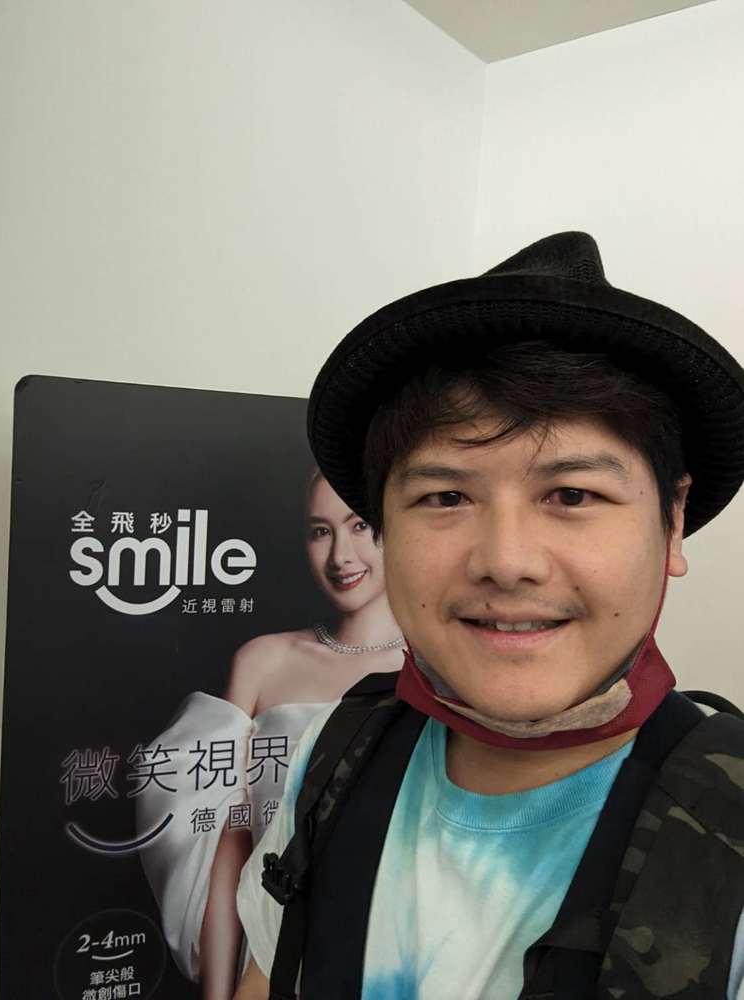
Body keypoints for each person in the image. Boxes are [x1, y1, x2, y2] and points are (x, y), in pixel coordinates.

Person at [233, 231, 744, 1000]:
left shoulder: (729, 832)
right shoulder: (339, 755)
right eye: (445, 496)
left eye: (572, 494)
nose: (507, 561)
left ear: (671, 523)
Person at [137, 471, 403, 999]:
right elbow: (230, 841)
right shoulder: (263, 661)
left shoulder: (440, 665)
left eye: (359, 525)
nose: (340, 556)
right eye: (320, 531)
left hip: (393, 957)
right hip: (270, 958)